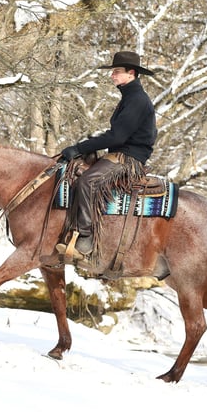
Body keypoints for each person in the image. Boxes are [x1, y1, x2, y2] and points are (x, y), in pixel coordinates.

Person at [55, 50, 157, 263]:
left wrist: (80, 147)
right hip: (120, 154)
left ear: (131, 73)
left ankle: (86, 239)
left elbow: (118, 136)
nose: (112, 75)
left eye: (117, 72)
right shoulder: (130, 96)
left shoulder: (137, 99)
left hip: (129, 159)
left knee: (88, 181)